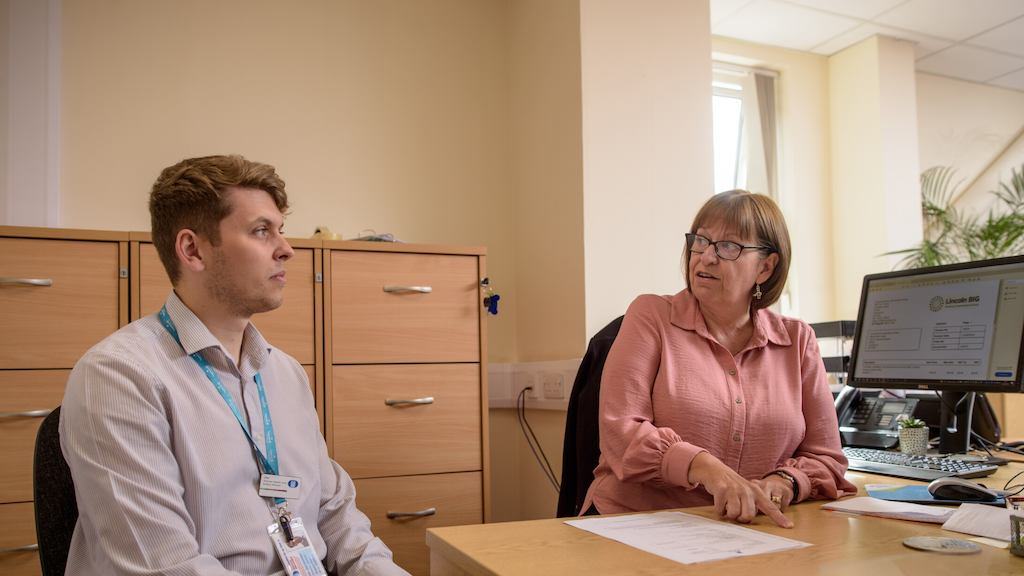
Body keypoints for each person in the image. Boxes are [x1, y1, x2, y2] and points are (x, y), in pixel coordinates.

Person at [60, 155, 409, 575]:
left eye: (280, 230)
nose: (287, 249)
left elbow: (336, 517)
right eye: (262, 231)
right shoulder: (118, 377)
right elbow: (167, 568)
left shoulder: (285, 373)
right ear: (193, 250)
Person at [581, 190, 856, 527]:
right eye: (701, 241)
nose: (706, 257)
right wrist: (706, 468)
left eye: (728, 247)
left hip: (749, 532)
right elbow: (621, 433)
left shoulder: (797, 340)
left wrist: (784, 482)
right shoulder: (651, 315)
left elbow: (827, 458)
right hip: (638, 523)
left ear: (765, 267)